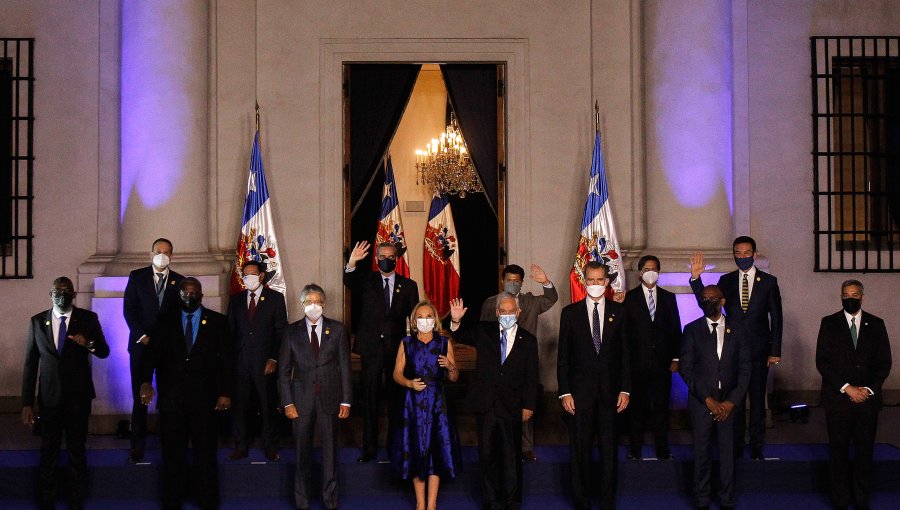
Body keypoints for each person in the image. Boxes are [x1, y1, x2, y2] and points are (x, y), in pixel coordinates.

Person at [140, 277, 233, 510]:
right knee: (172, 455)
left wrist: (225, 392)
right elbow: (151, 356)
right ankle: (172, 502)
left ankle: (207, 501)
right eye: (185, 293)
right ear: (178, 295)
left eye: (194, 293)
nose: (189, 296)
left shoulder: (218, 322)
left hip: (205, 400)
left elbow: (227, 362)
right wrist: (145, 382)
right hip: (172, 399)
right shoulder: (164, 321)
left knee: (205, 454)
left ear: (201, 295)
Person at [689, 235, 782, 459]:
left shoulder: (769, 282)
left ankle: (757, 446)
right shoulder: (726, 280)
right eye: (738, 253)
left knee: (758, 399)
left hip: (759, 351)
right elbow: (708, 303)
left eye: (746, 253)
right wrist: (696, 280)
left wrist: (775, 351)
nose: (742, 257)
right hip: (732, 351)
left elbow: (777, 318)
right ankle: (737, 444)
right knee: (735, 399)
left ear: (755, 254)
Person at [22, 277, 110, 510]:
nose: (62, 295)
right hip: (49, 398)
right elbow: (31, 365)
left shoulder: (88, 319)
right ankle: (47, 499)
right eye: (58, 291)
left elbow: (104, 351)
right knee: (48, 450)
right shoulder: (37, 322)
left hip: (77, 398)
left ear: (74, 294)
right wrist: (27, 403)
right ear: (50, 294)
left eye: (67, 291)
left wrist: (88, 342)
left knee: (76, 450)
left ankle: (76, 499)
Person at [449, 294, 538, 510]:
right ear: (497, 313)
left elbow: (531, 375)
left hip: (512, 405)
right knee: (487, 454)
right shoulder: (484, 331)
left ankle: (512, 499)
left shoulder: (528, 340)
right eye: (503, 311)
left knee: (511, 454)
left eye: (511, 311)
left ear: (518, 313)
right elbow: (459, 335)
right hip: (486, 404)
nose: (507, 315)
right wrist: (456, 320)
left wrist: (529, 405)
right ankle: (491, 500)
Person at [557, 261, 630, 510]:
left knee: (610, 452)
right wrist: (565, 391)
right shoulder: (570, 313)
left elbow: (625, 356)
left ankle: (607, 502)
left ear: (607, 282)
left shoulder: (619, 312)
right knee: (580, 452)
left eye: (600, 280)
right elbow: (563, 357)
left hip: (611, 396)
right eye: (591, 280)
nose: (596, 284)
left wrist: (625, 389)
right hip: (580, 396)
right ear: (584, 281)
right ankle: (581, 501)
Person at [815, 280, 891, 510]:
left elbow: (884, 363)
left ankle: (861, 501)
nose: (850, 298)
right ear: (841, 297)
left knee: (864, 453)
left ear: (862, 297)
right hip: (838, 401)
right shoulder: (829, 323)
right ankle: (839, 501)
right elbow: (823, 362)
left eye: (854, 295)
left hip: (867, 401)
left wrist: (867, 390)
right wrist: (847, 388)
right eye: (846, 295)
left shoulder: (877, 325)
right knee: (837, 453)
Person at [344, 240, 419, 463]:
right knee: (370, 399)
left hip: (397, 350)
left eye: (391, 256)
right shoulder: (367, 280)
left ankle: (395, 447)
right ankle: (370, 448)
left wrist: (413, 349)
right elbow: (349, 280)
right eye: (383, 256)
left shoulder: (408, 285)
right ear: (376, 259)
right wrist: (351, 263)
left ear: (397, 259)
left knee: (396, 400)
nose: (387, 259)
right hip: (371, 348)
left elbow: (414, 320)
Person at [279, 284, 352, 510]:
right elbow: (283, 370)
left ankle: (330, 502)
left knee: (330, 454)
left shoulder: (338, 330)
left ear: (324, 303)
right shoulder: (291, 331)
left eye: (317, 301)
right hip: (300, 401)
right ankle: (302, 502)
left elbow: (345, 367)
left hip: (330, 399)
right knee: (302, 453)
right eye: (309, 301)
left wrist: (346, 399)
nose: (314, 305)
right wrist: (287, 402)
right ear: (302, 305)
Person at [680, 285, 750, 510]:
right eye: (704, 298)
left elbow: (745, 369)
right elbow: (687, 369)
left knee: (728, 456)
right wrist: (708, 399)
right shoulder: (691, 330)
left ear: (723, 301)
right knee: (701, 454)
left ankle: (727, 500)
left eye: (712, 298)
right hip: (702, 403)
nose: (708, 301)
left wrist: (731, 402)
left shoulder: (737, 329)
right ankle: (701, 500)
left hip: (730, 403)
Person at [480, 263, 557, 462]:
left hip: (523, 362)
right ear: (502, 281)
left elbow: (550, 299)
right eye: (509, 280)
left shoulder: (530, 302)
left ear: (522, 283)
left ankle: (525, 447)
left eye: (516, 281)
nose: (512, 284)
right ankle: (499, 445)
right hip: (499, 362)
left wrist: (546, 282)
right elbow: (483, 334)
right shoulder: (491, 303)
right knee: (497, 407)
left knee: (525, 404)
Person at [392, 300, 461, 510]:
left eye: (429, 316)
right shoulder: (406, 343)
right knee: (416, 448)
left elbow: (455, 377)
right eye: (420, 317)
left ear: (436, 319)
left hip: (438, 405)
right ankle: (420, 504)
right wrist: (409, 383)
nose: (425, 320)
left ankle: (432, 505)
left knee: (436, 450)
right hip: (413, 404)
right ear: (414, 320)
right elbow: (396, 373)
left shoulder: (444, 342)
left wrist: (450, 367)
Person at [123, 237, 185, 463]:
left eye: (167, 252)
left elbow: (181, 315)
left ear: (172, 256)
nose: (162, 255)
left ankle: (169, 443)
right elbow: (129, 309)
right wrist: (142, 335)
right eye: (158, 251)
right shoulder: (137, 277)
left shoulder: (179, 281)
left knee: (169, 397)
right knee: (140, 397)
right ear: (151, 253)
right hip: (141, 346)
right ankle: (137, 445)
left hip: (168, 349)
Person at [227, 259, 287, 462]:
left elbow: (281, 332)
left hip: (265, 364)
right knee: (240, 406)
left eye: (252, 274)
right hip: (240, 363)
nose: (248, 278)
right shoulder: (235, 300)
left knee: (268, 405)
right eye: (245, 275)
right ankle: (240, 445)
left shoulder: (275, 299)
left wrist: (274, 358)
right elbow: (231, 332)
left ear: (261, 276)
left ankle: (270, 446)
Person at [622, 255, 682, 460]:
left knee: (661, 408)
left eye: (654, 268)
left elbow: (676, 329)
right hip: (637, 364)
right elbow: (625, 333)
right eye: (647, 268)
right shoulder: (628, 299)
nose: (651, 271)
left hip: (662, 363)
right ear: (640, 272)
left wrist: (676, 358)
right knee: (636, 408)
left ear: (659, 272)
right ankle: (635, 448)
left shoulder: (669, 298)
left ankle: (663, 449)